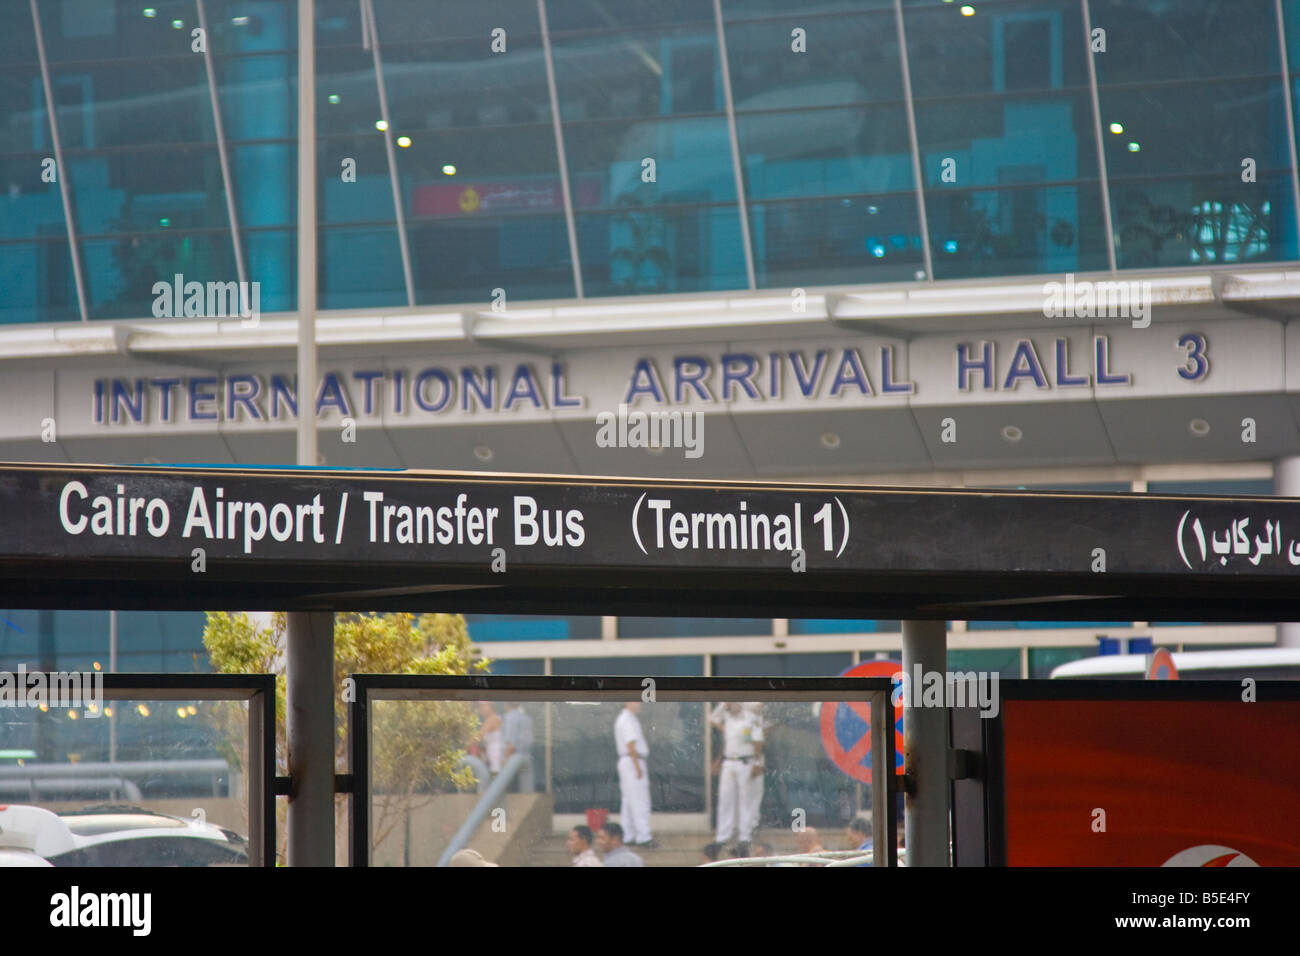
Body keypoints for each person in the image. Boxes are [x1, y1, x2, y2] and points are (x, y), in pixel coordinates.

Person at [709, 701, 764, 848]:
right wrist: (718, 761)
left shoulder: (750, 717)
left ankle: (744, 836)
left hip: (746, 762)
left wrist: (757, 763)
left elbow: (758, 741)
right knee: (725, 799)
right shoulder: (727, 718)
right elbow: (727, 741)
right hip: (729, 762)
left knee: (745, 801)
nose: (730, 704)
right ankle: (722, 836)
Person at [614, 701, 654, 847]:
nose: (639, 704)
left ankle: (628, 835)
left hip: (629, 761)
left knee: (629, 801)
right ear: (628, 702)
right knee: (639, 800)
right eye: (636, 701)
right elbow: (630, 744)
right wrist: (637, 765)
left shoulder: (627, 718)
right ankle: (643, 836)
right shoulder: (627, 720)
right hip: (632, 760)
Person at [502, 701, 535, 792]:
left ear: (506, 704)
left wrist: (505, 759)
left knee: (504, 786)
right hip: (526, 756)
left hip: (513, 756)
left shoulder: (509, 717)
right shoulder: (527, 718)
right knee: (527, 788)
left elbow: (510, 742)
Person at [473, 701, 506, 775]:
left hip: (496, 756)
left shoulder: (493, 719)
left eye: (482, 706)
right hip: (492, 756)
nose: (480, 709)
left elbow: (477, 737)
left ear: (490, 706)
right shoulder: (491, 719)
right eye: (479, 707)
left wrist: (463, 748)